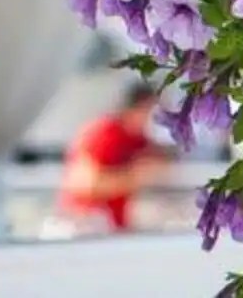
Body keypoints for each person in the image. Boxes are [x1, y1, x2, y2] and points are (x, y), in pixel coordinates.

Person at [57, 83, 168, 232]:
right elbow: (83, 182)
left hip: (114, 226)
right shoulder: (103, 132)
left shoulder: (139, 139)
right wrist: (133, 178)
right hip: (84, 224)